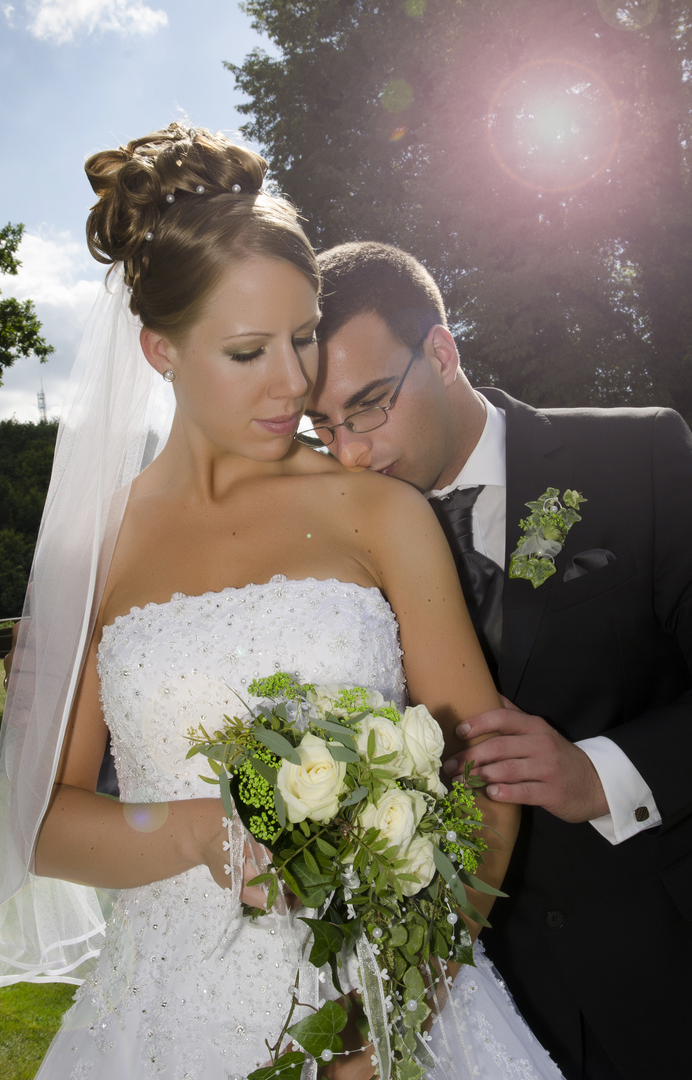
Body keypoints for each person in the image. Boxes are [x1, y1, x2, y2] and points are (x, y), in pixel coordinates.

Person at [0, 126, 564, 1080]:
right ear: (159, 349)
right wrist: (216, 828)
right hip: (162, 1019)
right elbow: (41, 827)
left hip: (392, 1003)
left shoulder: (378, 511)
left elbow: (485, 781)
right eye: (249, 351)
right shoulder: (92, 550)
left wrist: (390, 1022)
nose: (294, 383)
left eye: (302, 338)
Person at [304, 241, 692, 1080]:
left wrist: (605, 774)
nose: (350, 454)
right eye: (322, 426)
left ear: (440, 351)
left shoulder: (639, 460)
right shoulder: (324, 545)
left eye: (366, 405)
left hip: (659, 977)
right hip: (466, 1008)